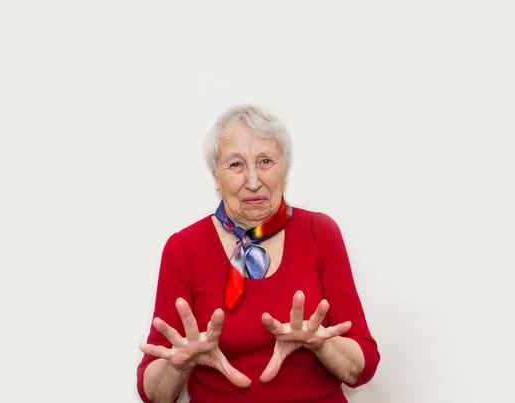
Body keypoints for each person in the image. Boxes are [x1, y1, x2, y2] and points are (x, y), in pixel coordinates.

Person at [137, 105, 380, 403]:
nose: (253, 181)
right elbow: (153, 394)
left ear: (285, 171)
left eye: (265, 161)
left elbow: (364, 366)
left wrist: (322, 346)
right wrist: (179, 364)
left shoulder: (321, 232)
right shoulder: (183, 248)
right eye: (236, 165)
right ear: (216, 176)